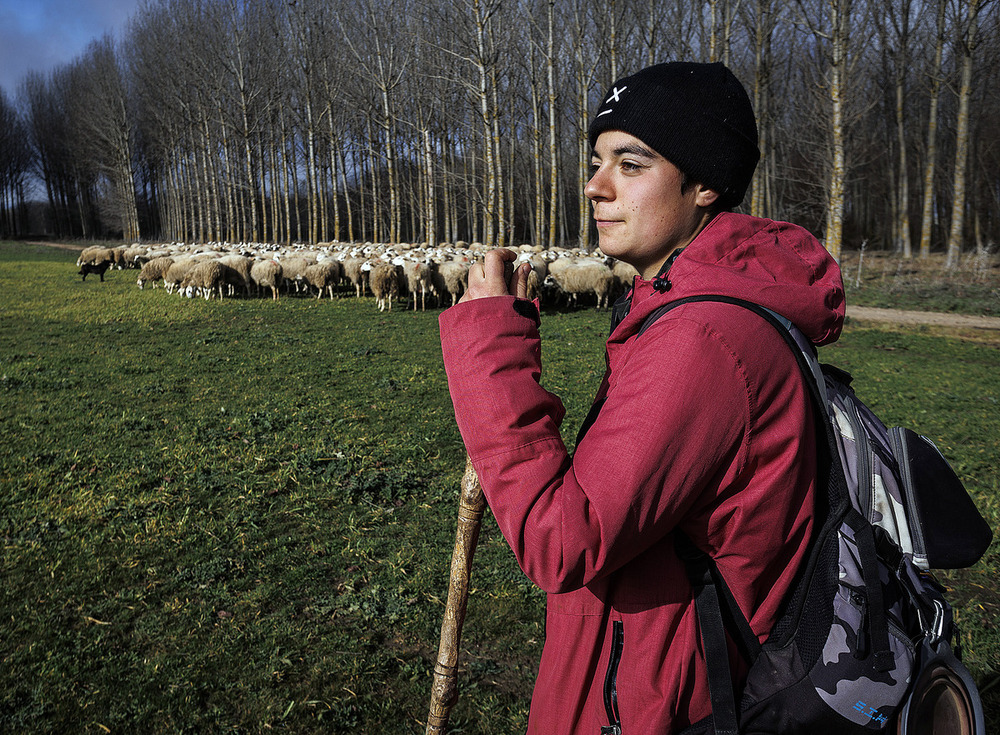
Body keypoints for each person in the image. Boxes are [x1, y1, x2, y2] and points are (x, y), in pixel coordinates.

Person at [439, 61, 845, 734]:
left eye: (631, 164)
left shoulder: (701, 340)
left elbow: (563, 538)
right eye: (597, 161)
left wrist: (491, 345)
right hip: (649, 673)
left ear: (705, 183)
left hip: (655, 703)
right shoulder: (689, 311)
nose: (595, 186)